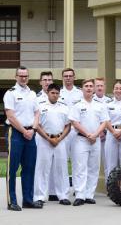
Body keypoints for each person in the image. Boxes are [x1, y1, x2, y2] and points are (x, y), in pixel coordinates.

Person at [3, 66, 42, 211]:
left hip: (30, 133)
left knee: (29, 168)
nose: (23, 78)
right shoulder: (10, 93)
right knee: (12, 168)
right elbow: (10, 116)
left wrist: (32, 129)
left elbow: (37, 113)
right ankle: (11, 201)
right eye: (20, 76)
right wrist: (24, 130)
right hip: (16, 133)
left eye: (25, 76)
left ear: (28, 77)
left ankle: (27, 199)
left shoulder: (32, 93)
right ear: (16, 77)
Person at [69, 79, 109, 206]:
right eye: (86, 86)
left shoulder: (100, 105)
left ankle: (89, 194)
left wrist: (95, 135)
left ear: (94, 89)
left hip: (96, 140)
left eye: (91, 86)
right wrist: (88, 134)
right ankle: (80, 194)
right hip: (81, 139)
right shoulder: (77, 105)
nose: (89, 88)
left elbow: (104, 122)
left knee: (94, 168)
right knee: (80, 167)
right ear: (82, 89)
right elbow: (74, 122)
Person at [33, 84, 71, 206]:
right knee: (42, 168)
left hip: (60, 140)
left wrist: (59, 139)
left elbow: (68, 126)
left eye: (57, 93)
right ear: (48, 93)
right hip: (44, 140)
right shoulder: (41, 106)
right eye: (52, 93)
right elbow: (37, 125)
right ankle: (39, 197)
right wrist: (48, 138)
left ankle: (63, 195)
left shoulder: (64, 108)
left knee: (61, 168)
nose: (55, 95)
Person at [35, 71, 59, 202]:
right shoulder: (36, 98)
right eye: (45, 80)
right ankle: (40, 194)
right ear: (40, 82)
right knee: (42, 165)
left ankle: (53, 191)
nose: (47, 82)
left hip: (56, 137)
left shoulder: (57, 96)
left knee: (56, 165)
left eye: (50, 79)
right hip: (41, 136)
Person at [104, 80, 121, 178]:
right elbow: (106, 120)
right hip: (111, 134)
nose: (118, 90)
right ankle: (111, 189)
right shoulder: (108, 104)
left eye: (120, 88)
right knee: (111, 164)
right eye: (116, 88)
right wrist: (114, 132)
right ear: (113, 90)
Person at [93, 77, 113, 178]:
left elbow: (111, 119)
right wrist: (98, 132)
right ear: (94, 87)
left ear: (104, 87)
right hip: (93, 136)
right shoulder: (90, 100)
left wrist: (104, 132)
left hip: (108, 136)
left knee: (108, 163)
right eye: (97, 86)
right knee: (91, 164)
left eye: (101, 85)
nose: (99, 88)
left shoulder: (110, 101)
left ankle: (108, 187)